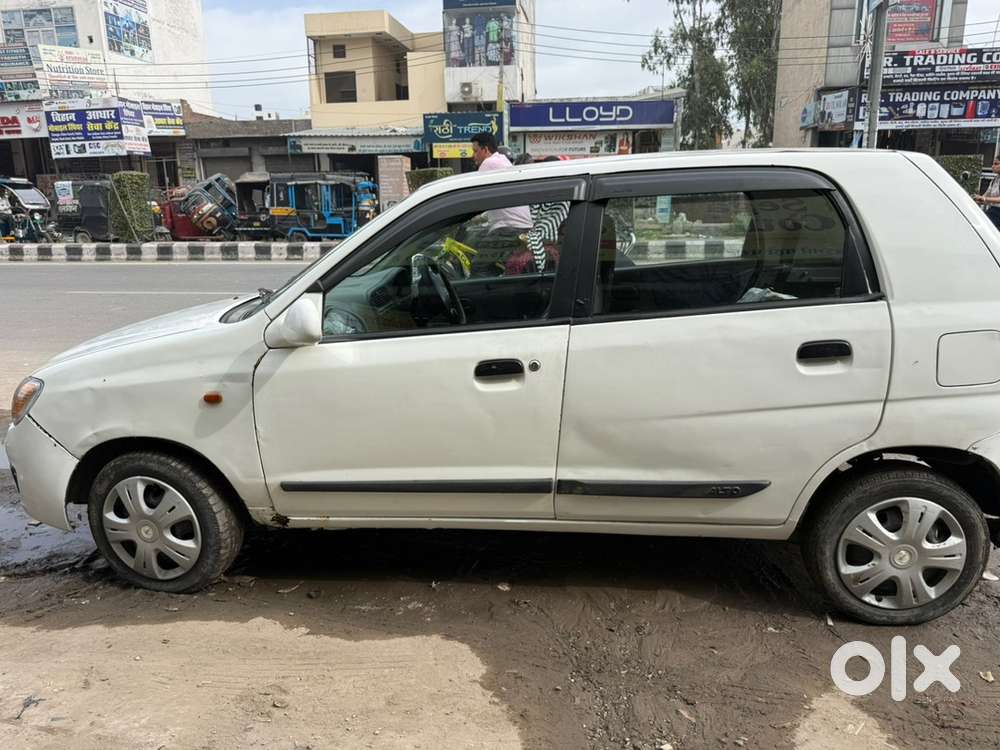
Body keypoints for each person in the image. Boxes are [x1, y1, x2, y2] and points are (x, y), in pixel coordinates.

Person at [470, 133, 533, 275]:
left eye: (475, 151)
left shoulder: (488, 163)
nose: (473, 156)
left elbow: (474, 195)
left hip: (508, 228)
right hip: (521, 227)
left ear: (486, 150)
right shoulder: (502, 161)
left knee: (477, 267)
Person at [973, 157, 1000, 229]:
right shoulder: (994, 180)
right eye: (993, 164)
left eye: (996, 164)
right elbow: (985, 196)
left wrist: (985, 199)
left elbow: (986, 198)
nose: (992, 166)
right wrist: (976, 199)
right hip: (993, 211)